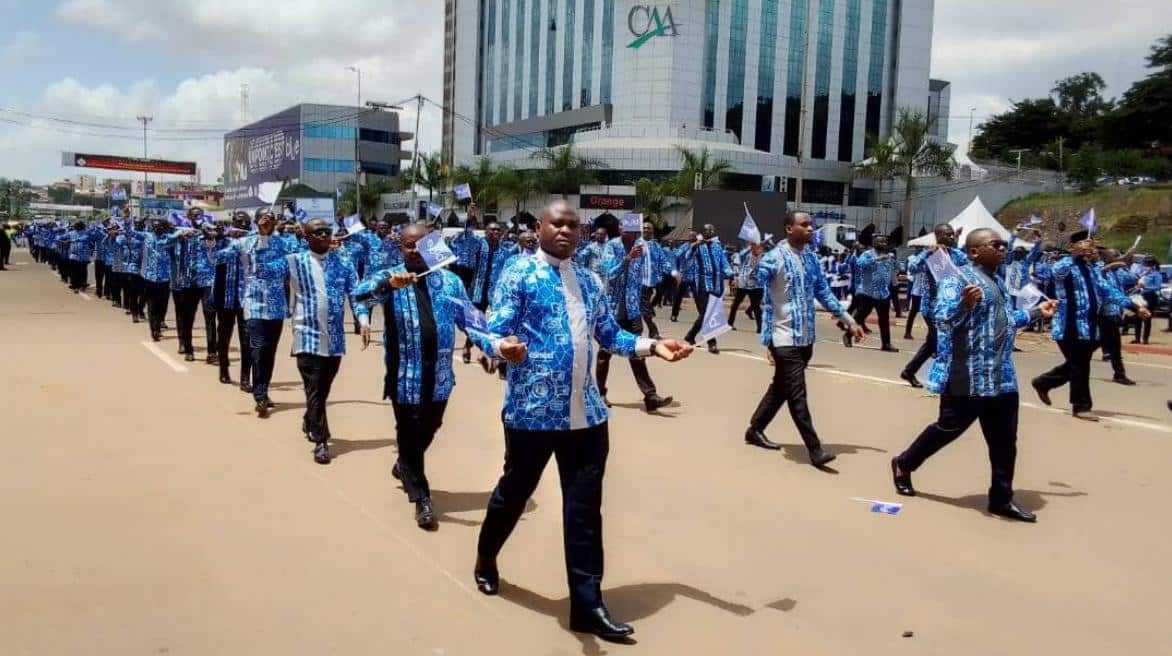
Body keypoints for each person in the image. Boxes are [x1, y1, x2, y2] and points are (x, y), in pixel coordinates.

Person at [472, 200, 694, 642]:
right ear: (540, 227)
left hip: (587, 417)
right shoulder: (518, 273)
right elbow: (489, 327)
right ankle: (486, 557)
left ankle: (588, 605)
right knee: (514, 493)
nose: (566, 232)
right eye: (558, 224)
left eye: (574, 225)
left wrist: (654, 346)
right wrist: (502, 348)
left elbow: (610, 334)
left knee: (584, 512)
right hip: (532, 415)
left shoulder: (591, 281)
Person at [892, 228, 1058, 523]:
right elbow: (942, 321)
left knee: (1005, 441)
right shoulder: (955, 280)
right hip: (967, 374)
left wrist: (1036, 313)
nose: (1002, 249)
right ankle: (904, 463)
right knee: (948, 429)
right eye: (996, 245)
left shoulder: (998, 282)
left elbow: (1006, 320)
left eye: (1003, 245)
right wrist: (964, 305)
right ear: (973, 251)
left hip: (1003, 376)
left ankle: (1001, 499)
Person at [355, 224, 484, 527]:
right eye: (408, 245)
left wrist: (497, 346)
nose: (414, 250)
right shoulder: (390, 276)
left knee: (430, 426)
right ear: (401, 248)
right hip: (404, 376)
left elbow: (471, 319)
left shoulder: (450, 282)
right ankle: (421, 497)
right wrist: (388, 286)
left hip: (439, 377)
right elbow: (361, 297)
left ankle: (405, 464)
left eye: (421, 244)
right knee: (409, 433)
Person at [744, 212, 864, 466]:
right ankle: (815, 449)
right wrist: (755, 258)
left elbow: (824, 292)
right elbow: (752, 282)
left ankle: (755, 429)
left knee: (780, 389)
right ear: (789, 228)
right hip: (783, 337)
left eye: (812, 225)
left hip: (806, 337)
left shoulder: (810, 258)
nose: (811, 229)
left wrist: (849, 320)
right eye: (805, 225)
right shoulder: (774, 257)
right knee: (797, 394)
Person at [1032, 235, 1149, 421]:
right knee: (1080, 365)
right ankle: (1080, 406)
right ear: (1073, 246)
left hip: (1089, 326)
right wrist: (1073, 256)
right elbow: (1056, 273)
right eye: (1084, 243)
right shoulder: (1064, 265)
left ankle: (1044, 382)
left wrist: (1135, 307)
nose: (1089, 246)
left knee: (1077, 363)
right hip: (1068, 326)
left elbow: (1108, 291)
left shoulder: (1091, 269)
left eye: (1090, 243)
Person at [283, 218, 368, 465]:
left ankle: (311, 417)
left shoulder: (343, 262)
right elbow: (261, 266)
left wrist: (362, 320)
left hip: (334, 339)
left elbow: (356, 293)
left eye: (326, 232)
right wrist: (266, 232)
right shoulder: (295, 262)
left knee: (323, 388)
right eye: (317, 233)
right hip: (306, 336)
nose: (323, 236)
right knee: (315, 386)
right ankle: (321, 441)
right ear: (306, 237)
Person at [215, 208, 301, 418]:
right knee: (257, 348)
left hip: (276, 306)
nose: (267, 221)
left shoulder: (284, 243)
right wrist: (214, 239)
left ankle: (263, 388)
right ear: (255, 222)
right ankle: (259, 394)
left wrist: (300, 233)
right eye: (263, 219)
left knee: (269, 352)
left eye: (270, 219)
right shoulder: (245, 242)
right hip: (253, 304)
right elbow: (216, 258)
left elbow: (299, 257)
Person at [596, 220, 674, 412]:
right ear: (620, 229)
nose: (630, 233)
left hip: (632, 310)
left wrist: (671, 272)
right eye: (625, 228)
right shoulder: (611, 247)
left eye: (633, 230)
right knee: (605, 354)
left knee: (638, 351)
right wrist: (627, 259)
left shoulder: (642, 247)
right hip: (613, 310)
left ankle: (650, 395)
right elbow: (609, 276)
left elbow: (649, 271)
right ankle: (599, 393)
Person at [899, 225, 969, 388]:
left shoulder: (957, 254)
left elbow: (966, 271)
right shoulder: (930, 254)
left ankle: (909, 371)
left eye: (953, 235)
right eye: (948, 235)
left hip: (952, 307)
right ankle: (942, 380)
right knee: (942, 342)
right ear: (938, 236)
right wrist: (928, 252)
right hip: (932, 308)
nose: (952, 237)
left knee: (932, 343)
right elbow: (913, 268)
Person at [461, 220, 517, 364]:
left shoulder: (505, 250)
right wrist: (470, 218)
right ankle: (468, 346)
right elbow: (468, 236)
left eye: (498, 230)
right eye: (492, 230)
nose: (496, 232)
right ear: (486, 232)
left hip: (496, 294)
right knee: (475, 323)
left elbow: (521, 247)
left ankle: (496, 358)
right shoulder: (479, 245)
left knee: (499, 324)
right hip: (477, 292)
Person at [213, 212, 252, 390]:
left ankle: (245, 378)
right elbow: (213, 257)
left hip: (247, 298)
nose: (242, 227)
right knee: (224, 335)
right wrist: (216, 238)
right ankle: (223, 368)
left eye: (245, 225)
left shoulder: (254, 241)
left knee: (247, 340)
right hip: (225, 296)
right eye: (239, 224)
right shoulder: (223, 240)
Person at [683, 224, 732, 353]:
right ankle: (712, 343)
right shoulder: (698, 245)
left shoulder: (717, 245)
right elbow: (687, 256)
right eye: (708, 229)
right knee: (707, 314)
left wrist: (729, 271)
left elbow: (723, 261)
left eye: (712, 230)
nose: (711, 231)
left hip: (716, 285)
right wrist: (696, 245)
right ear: (703, 232)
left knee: (706, 314)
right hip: (701, 285)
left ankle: (691, 335)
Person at [847, 236, 899, 352]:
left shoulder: (889, 256)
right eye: (880, 241)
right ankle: (848, 335)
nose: (883, 243)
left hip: (883, 293)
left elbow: (892, 270)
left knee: (884, 319)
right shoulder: (868, 254)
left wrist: (894, 280)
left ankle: (886, 344)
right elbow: (860, 264)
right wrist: (878, 259)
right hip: (868, 292)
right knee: (860, 316)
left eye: (885, 241)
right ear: (873, 243)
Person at [1096, 249, 1137, 384]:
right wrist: (1109, 267)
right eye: (1114, 256)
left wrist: (1126, 265)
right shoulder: (1098, 268)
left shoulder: (1117, 273)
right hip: (1103, 312)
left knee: (1112, 344)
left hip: (1116, 312)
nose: (1117, 258)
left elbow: (1133, 279)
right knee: (1102, 342)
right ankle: (1119, 373)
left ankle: (1118, 373)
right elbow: (1097, 278)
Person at [728, 242, 765, 333]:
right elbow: (740, 255)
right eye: (755, 247)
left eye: (759, 248)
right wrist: (749, 247)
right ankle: (729, 324)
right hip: (743, 284)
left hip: (756, 285)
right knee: (735, 305)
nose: (758, 249)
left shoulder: (764, 257)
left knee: (756, 307)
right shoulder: (746, 255)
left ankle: (760, 328)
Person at [1135, 257, 1162, 345]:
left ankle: (1145, 339)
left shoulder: (1156, 275)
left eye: (1147, 265)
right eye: (1145, 265)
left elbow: (1157, 287)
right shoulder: (1143, 274)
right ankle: (1137, 338)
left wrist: (1145, 287)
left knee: (1147, 318)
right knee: (1138, 317)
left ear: (1153, 266)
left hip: (1150, 296)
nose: (1145, 267)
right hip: (1141, 296)